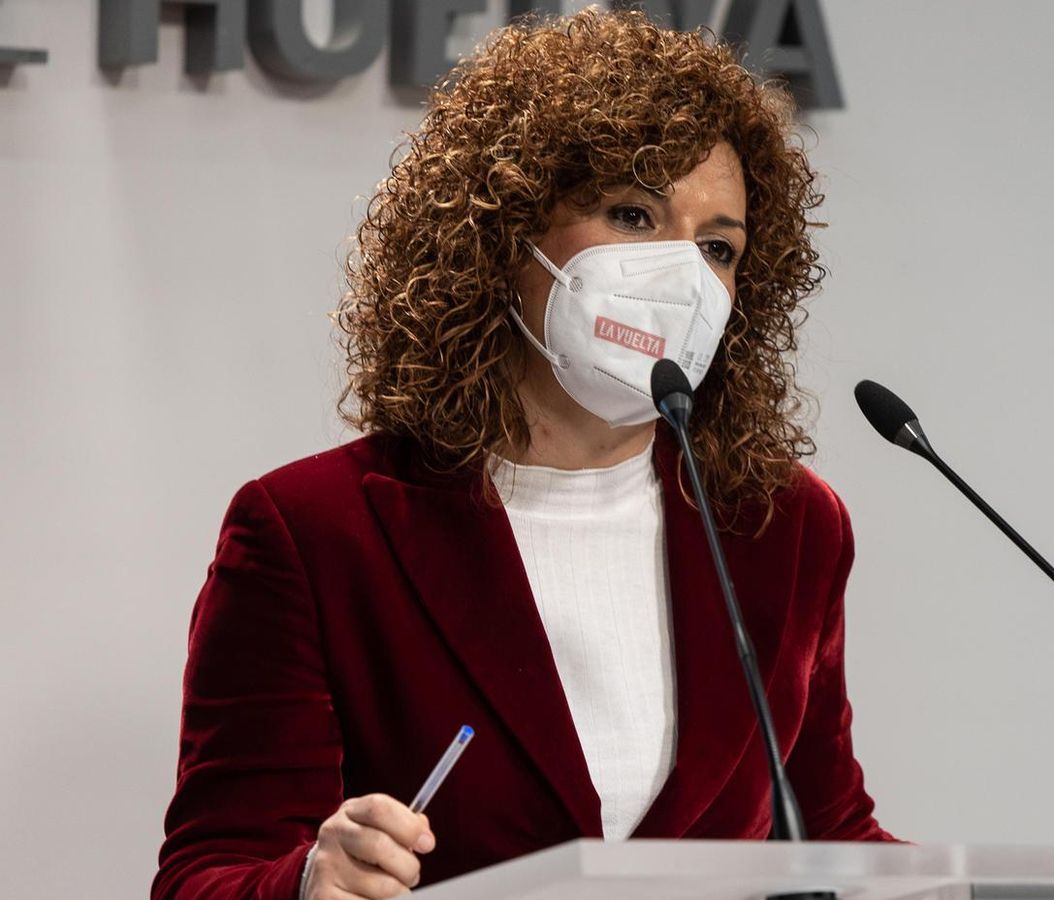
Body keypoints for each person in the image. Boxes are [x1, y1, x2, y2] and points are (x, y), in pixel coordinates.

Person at [151, 8, 897, 900]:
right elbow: (208, 873)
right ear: (503, 232)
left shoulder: (784, 524)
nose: (682, 278)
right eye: (631, 213)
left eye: (716, 247)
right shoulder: (314, 533)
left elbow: (828, 830)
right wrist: (308, 883)